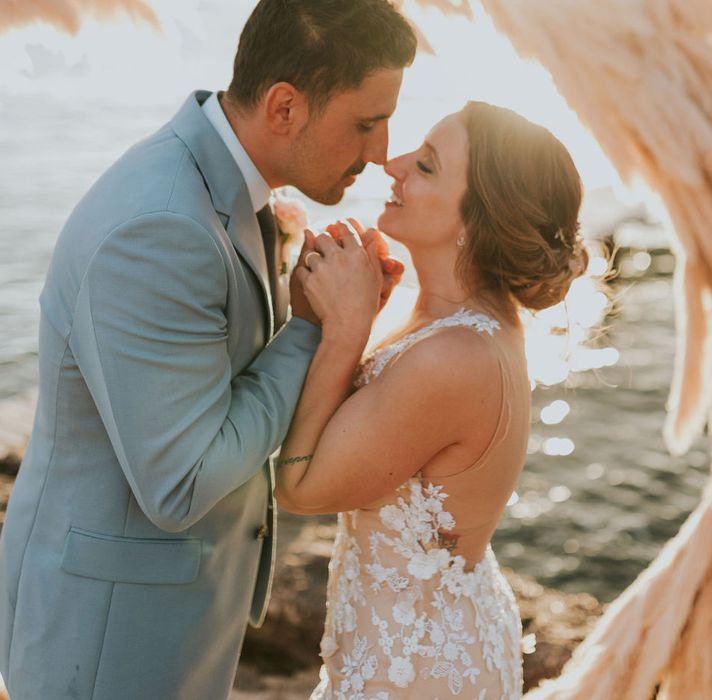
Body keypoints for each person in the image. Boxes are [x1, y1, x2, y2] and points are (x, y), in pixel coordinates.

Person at [0, 2, 416, 699]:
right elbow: (181, 482)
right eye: (366, 123)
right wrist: (314, 328)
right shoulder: (162, 229)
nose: (380, 152)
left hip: (160, 619)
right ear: (284, 106)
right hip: (107, 643)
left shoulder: (216, 188)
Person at [275, 101, 588, 699]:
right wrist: (354, 315)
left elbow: (299, 488)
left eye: (425, 164)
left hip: (418, 668)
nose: (391, 164)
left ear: (476, 218)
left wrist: (341, 334)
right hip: (409, 640)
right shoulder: (453, 323)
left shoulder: (453, 358)